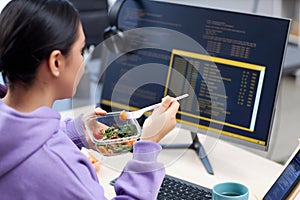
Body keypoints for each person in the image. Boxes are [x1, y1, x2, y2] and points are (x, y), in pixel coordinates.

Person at [0, 0, 179, 199]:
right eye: (81, 51)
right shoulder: (63, 171)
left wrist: (73, 132)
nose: (83, 61)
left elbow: (21, 143)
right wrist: (148, 145)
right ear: (56, 62)